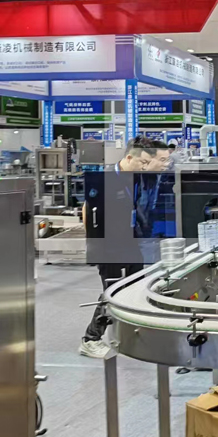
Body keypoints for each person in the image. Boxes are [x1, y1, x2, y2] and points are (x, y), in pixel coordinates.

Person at [79, 136, 157, 359]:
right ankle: (90, 339)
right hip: (108, 247)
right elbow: (87, 211)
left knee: (137, 285)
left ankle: (131, 334)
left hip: (129, 242)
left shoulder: (135, 178)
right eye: (142, 162)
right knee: (112, 291)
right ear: (129, 157)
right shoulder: (105, 180)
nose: (144, 167)